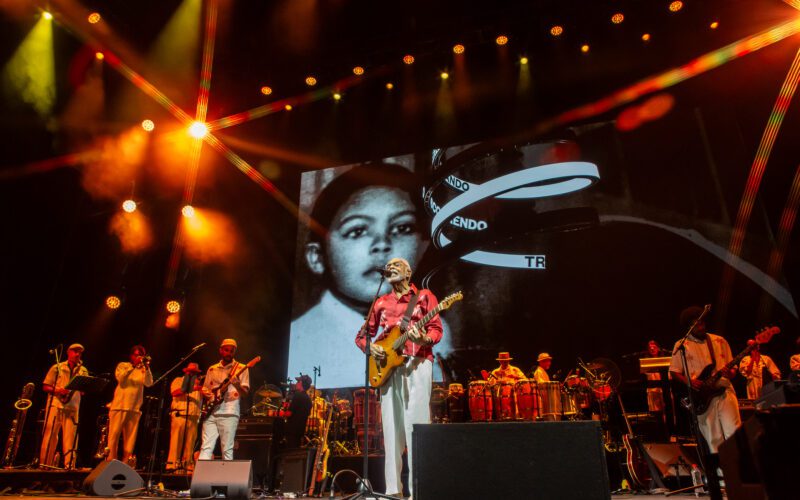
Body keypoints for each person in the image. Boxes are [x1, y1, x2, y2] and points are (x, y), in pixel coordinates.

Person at [289, 163, 452, 388]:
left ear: (424, 245)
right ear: (317, 257)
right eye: (357, 231)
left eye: (402, 228)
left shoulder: (434, 322)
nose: (382, 244)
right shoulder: (302, 339)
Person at [355, 257, 443, 497]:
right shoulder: (381, 302)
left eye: (396, 265)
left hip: (417, 363)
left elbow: (436, 329)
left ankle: (419, 491)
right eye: (389, 266)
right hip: (388, 369)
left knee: (416, 427)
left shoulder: (424, 296)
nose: (391, 267)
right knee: (391, 431)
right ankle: (393, 491)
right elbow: (361, 336)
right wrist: (369, 347)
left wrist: (423, 338)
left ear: (408, 272)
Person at [669, 306, 740, 456]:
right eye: (696, 325)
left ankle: (740, 475)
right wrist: (689, 381)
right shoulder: (681, 345)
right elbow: (674, 372)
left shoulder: (719, 341)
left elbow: (733, 369)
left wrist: (731, 373)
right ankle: (723, 478)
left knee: (734, 433)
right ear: (689, 327)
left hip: (724, 391)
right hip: (702, 397)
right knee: (714, 440)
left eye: (702, 323)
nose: (701, 327)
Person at [199, 339, 250, 461]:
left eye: (232, 351)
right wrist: (210, 396)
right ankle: (201, 479)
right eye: (226, 350)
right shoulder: (212, 369)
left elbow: (246, 393)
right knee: (205, 448)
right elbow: (206, 388)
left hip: (229, 412)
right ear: (221, 350)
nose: (229, 353)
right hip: (211, 412)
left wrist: (237, 385)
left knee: (227, 449)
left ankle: (226, 480)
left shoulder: (241, 368)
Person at [40, 343, 89, 468]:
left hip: (73, 407)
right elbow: (45, 386)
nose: (78, 354)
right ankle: (44, 466)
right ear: (68, 352)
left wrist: (82, 388)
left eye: (80, 352)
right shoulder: (57, 367)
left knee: (71, 439)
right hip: (56, 405)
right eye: (75, 351)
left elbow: (83, 392)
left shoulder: (83, 370)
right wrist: (58, 390)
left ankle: (69, 468)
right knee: (50, 436)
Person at [107, 345, 154, 464]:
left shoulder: (143, 369)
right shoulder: (123, 365)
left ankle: (126, 464)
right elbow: (121, 379)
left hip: (134, 408)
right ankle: (110, 462)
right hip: (119, 406)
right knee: (113, 438)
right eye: (137, 354)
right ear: (132, 356)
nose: (139, 357)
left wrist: (147, 368)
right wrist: (133, 366)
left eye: (141, 355)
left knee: (130, 441)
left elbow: (149, 383)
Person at [167, 362, 203, 472]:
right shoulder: (178, 380)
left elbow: (209, 395)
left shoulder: (201, 385)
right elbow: (175, 392)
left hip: (193, 417)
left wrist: (202, 389)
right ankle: (172, 467)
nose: (193, 374)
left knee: (190, 445)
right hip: (180, 415)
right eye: (190, 372)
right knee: (176, 443)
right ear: (186, 371)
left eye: (195, 372)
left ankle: (187, 468)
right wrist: (191, 387)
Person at [284, 375, 312, 449]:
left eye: (298, 382)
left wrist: (278, 414)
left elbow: (289, 413)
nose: (296, 383)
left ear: (301, 383)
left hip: (292, 431)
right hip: (300, 432)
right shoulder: (309, 399)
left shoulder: (297, 395)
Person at [645, 340, 666, 415]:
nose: (652, 349)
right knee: (656, 413)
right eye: (650, 348)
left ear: (658, 348)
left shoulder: (664, 360)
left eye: (654, 347)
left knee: (667, 410)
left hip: (665, 389)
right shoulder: (646, 361)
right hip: (653, 390)